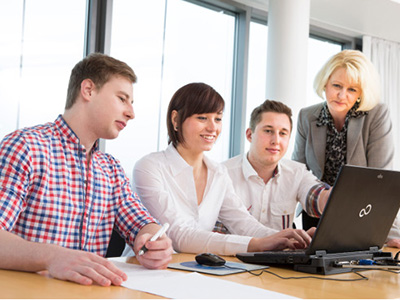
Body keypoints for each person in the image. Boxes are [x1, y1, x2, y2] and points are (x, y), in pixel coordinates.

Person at [0, 53, 173, 286]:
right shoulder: (26, 146)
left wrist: (153, 239)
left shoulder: (110, 168)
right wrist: (52, 257)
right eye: (122, 99)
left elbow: (142, 223)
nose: (131, 113)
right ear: (88, 90)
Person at [132, 82, 314, 256]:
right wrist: (254, 245)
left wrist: (286, 238)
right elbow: (177, 234)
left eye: (218, 119)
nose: (213, 127)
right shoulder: (149, 168)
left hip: (193, 271)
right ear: (175, 119)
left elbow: (243, 223)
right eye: (202, 118)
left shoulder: (218, 173)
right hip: (146, 272)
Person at [292, 49, 400, 247]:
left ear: (361, 92)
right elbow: (296, 172)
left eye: (352, 89)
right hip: (317, 212)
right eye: (337, 85)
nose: (342, 95)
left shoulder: (376, 115)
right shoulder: (307, 116)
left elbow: (381, 178)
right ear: (325, 83)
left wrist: (387, 231)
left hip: (362, 212)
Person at [220, 100, 331, 233]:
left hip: (282, 253)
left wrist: (332, 198)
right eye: (268, 131)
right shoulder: (222, 174)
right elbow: (216, 233)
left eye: (283, 133)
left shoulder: (297, 172)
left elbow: (317, 197)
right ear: (250, 135)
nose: (276, 141)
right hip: (231, 253)